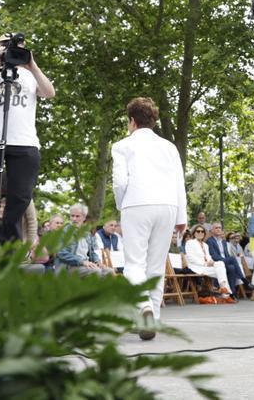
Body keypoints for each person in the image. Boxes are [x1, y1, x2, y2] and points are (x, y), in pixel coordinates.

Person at [0, 33, 55, 243]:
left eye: (15, 45)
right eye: (4, 44)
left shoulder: (31, 76)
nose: (9, 49)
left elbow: (50, 93)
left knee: (21, 196)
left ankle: (8, 246)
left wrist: (32, 65)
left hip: (25, 142)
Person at [111, 96, 188, 340]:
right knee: (156, 266)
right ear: (153, 121)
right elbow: (179, 181)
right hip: (167, 205)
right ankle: (152, 318)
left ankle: (143, 305)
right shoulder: (168, 147)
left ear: (132, 120)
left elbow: (120, 181)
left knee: (134, 263)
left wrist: (122, 204)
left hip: (136, 204)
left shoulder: (122, 146)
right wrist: (181, 215)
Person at [55, 203, 114, 277]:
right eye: (72, 216)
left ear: (84, 218)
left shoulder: (87, 233)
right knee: (95, 271)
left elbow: (91, 252)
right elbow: (61, 253)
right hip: (69, 266)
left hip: (85, 265)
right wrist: (82, 261)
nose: (74, 219)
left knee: (109, 271)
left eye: (77, 216)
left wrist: (97, 261)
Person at [184, 224, 234, 301]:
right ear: (194, 233)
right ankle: (226, 293)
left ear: (204, 233)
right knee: (221, 270)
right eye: (198, 231)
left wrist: (212, 262)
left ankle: (224, 290)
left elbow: (209, 257)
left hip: (206, 267)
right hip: (196, 267)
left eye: (202, 231)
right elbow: (191, 258)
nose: (200, 233)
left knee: (220, 263)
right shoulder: (190, 242)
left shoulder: (205, 245)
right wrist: (205, 263)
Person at [207, 222, 246, 298]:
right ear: (212, 230)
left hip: (225, 262)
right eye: (216, 228)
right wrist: (226, 260)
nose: (218, 229)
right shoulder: (210, 241)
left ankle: (232, 293)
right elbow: (214, 256)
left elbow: (227, 254)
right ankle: (243, 279)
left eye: (219, 228)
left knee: (232, 268)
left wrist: (227, 260)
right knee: (232, 259)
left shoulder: (224, 242)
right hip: (217, 263)